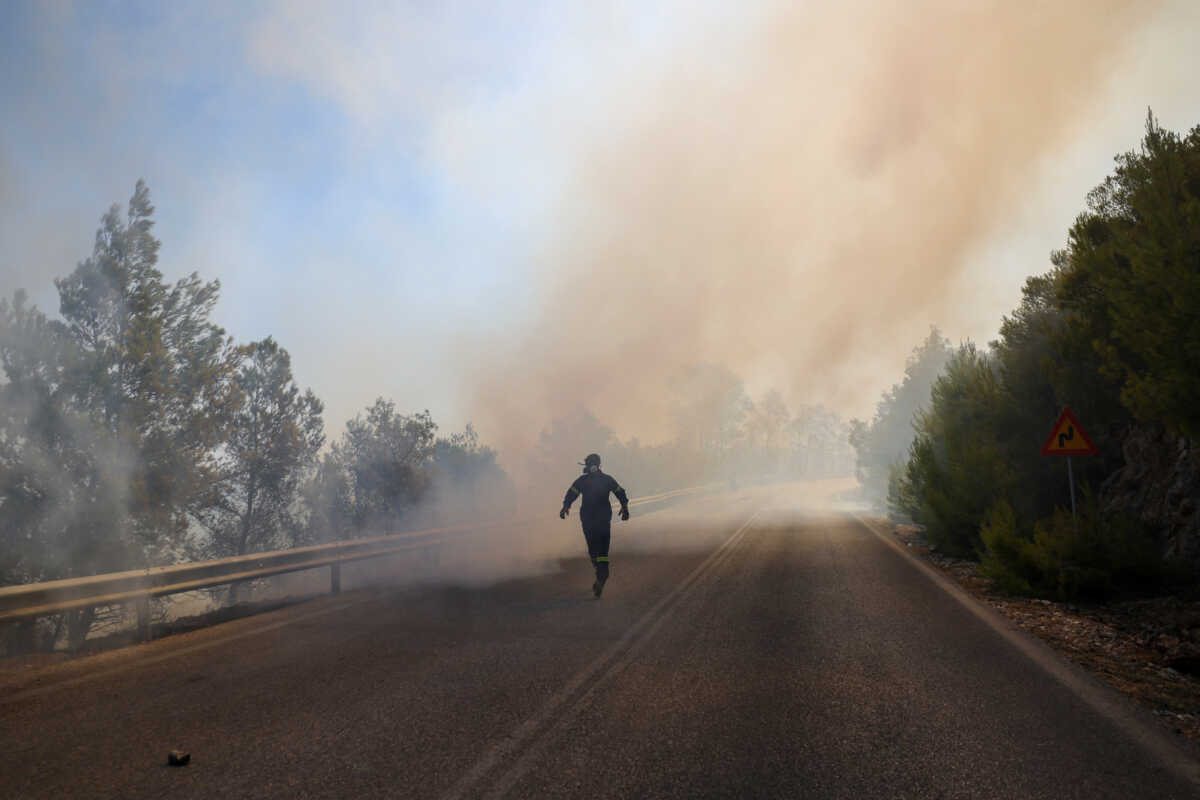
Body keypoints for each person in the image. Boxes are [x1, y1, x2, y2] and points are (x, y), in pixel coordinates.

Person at [559, 453, 630, 597]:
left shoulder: (587, 480)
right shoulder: (603, 479)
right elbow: (571, 494)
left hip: (592, 520)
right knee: (598, 551)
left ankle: (601, 572)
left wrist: (566, 506)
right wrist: (566, 506)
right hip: (598, 520)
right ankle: (601, 573)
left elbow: (620, 492)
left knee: (596, 550)